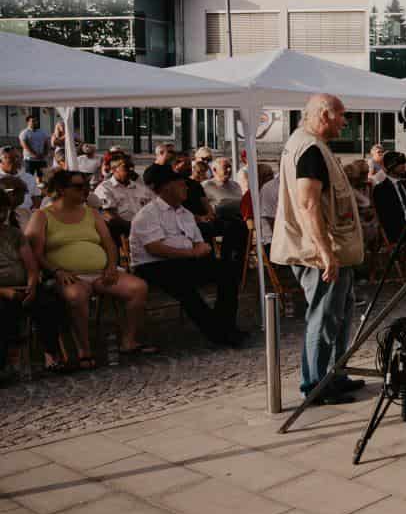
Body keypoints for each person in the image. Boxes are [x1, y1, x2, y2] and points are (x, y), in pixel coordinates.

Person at [269, 93, 365, 405]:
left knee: (338, 314)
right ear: (324, 115)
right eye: (341, 115)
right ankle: (315, 385)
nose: (345, 122)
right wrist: (325, 252)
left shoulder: (311, 145)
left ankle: (334, 375)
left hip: (329, 250)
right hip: (319, 253)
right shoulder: (309, 148)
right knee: (323, 317)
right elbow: (308, 204)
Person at [26, 169, 151, 368]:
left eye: (86, 186)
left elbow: (109, 243)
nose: (85, 190)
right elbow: (35, 253)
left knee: (138, 288)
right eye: (78, 187)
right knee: (76, 296)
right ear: (61, 189)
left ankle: (129, 341)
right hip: (67, 276)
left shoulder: (91, 213)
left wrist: (111, 266)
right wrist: (57, 271)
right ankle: (84, 350)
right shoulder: (42, 216)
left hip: (101, 273)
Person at [131, 164, 244, 348]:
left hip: (183, 260)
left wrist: (198, 249)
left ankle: (225, 324)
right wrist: (192, 252)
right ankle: (218, 332)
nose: (186, 188)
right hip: (154, 265)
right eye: (181, 184)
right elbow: (155, 248)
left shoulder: (185, 213)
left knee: (228, 271)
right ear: (167, 188)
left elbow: (198, 242)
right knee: (184, 286)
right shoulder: (148, 214)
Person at [0, 185, 65, 373]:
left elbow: (30, 265)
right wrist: (5, 292)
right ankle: (5, 361)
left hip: (23, 287)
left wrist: (32, 285)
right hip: (3, 291)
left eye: (3, 210)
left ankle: (51, 353)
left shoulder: (14, 234)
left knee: (49, 302)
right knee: (4, 311)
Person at [92, 155, 153, 245]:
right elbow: (108, 215)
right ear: (113, 169)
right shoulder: (105, 188)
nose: (131, 169)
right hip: (121, 233)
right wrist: (133, 227)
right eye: (126, 167)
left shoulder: (140, 187)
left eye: (132, 166)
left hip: (146, 231)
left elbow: (152, 208)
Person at [343, 161, 381, 249]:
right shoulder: (349, 189)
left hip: (370, 221)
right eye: (363, 173)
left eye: (367, 172)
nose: (365, 176)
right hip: (356, 223)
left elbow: (373, 204)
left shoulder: (369, 185)